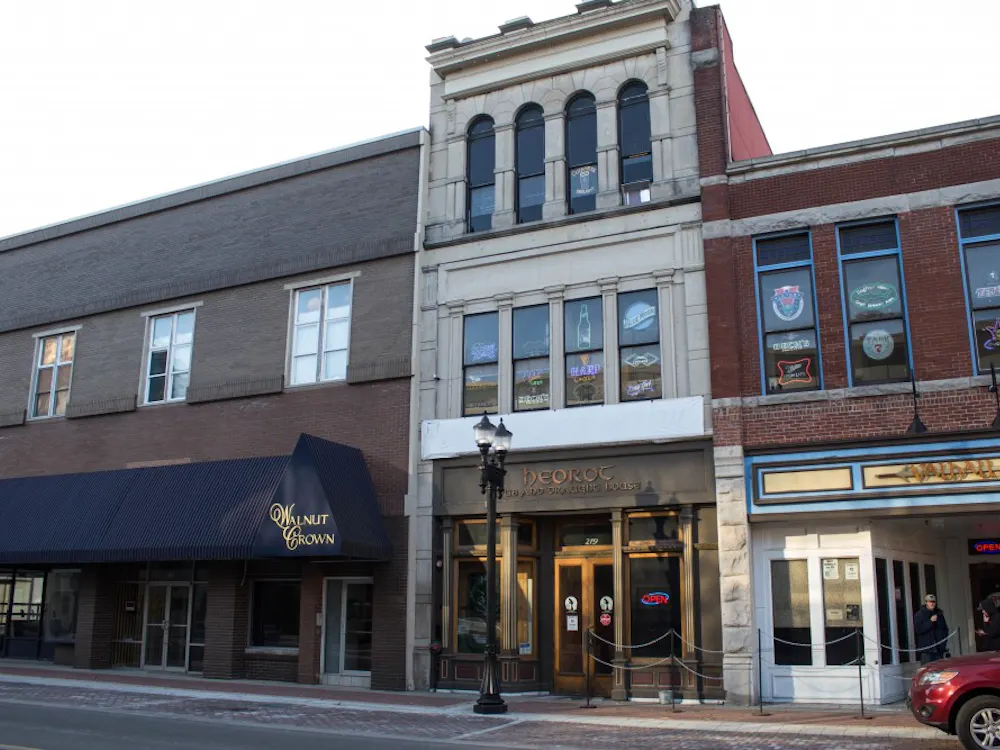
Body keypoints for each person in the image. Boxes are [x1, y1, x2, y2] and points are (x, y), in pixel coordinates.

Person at [914, 594, 949, 663]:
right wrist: (930, 622)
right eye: (930, 602)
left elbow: (945, 629)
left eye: (933, 602)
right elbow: (918, 629)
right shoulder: (920, 614)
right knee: (927, 670)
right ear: (926, 602)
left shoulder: (939, 614)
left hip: (939, 649)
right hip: (927, 650)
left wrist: (943, 644)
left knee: (939, 670)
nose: (932, 604)